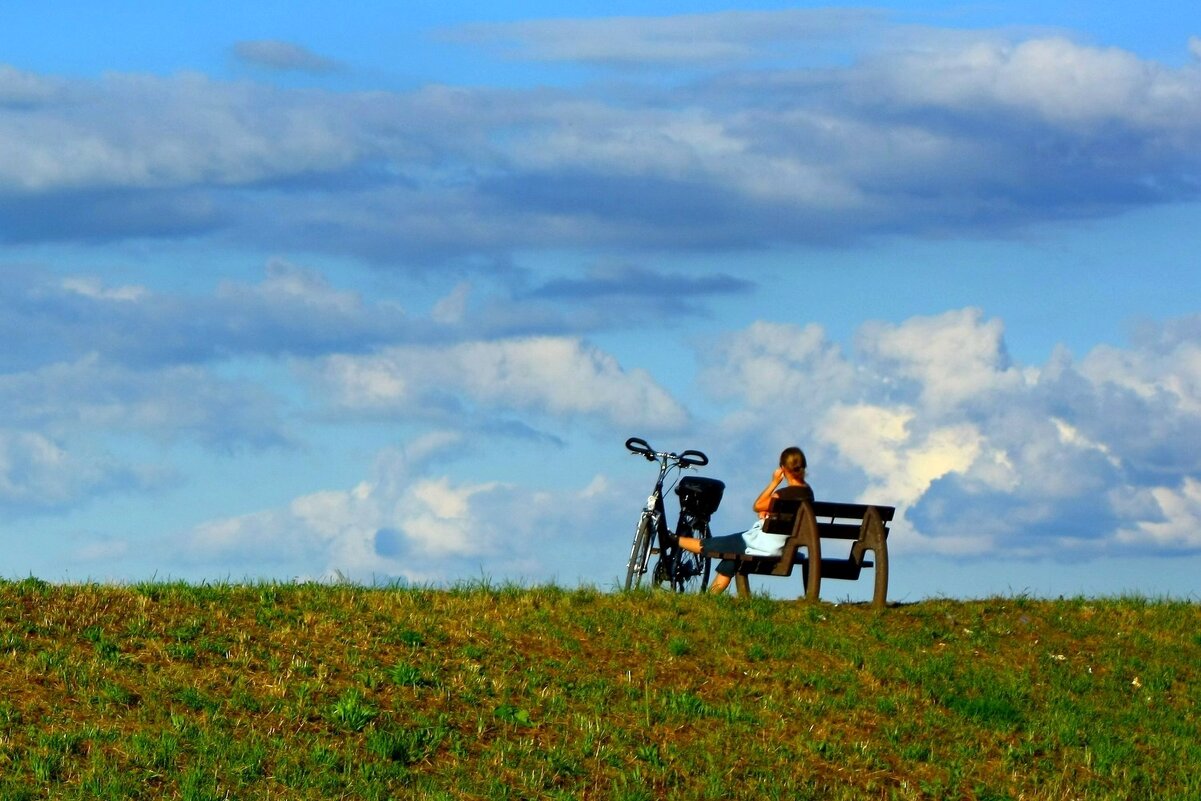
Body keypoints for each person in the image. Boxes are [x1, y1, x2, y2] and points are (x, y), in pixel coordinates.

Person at [674, 446, 812, 595]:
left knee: (710, 545)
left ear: (783, 468)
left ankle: (672, 540)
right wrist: (770, 513)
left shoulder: (783, 495)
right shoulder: (807, 494)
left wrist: (774, 483)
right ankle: (709, 598)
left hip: (762, 546)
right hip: (782, 547)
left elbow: (757, 505)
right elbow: (783, 514)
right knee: (730, 560)